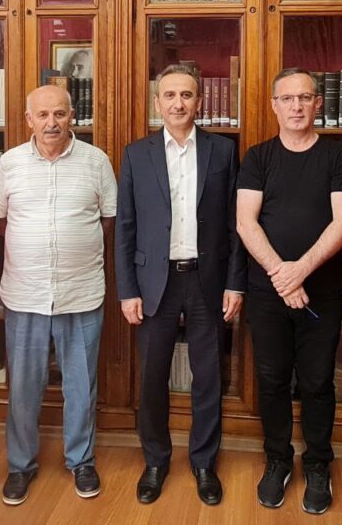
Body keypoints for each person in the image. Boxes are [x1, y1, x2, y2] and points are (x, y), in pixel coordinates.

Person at [115, 64, 246, 506]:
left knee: (209, 377)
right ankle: (155, 460)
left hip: (208, 280)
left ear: (199, 102)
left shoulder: (223, 152)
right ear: (157, 103)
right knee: (152, 378)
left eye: (186, 95)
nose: (178, 103)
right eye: (169, 95)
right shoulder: (137, 154)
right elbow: (126, 228)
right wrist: (127, 290)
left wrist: (235, 284)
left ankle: (204, 462)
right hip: (156, 282)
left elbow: (234, 225)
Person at [236, 67, 342, 515]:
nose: (296, 106)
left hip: (320, 291)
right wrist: (281, 275)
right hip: (267, 291)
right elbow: (245, 222)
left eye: (305, 98)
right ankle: (277, 460)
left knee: (317, 380)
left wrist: (300, 271)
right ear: (274, 105)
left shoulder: (338, 156)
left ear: (318, 103)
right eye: (287, 99)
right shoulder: (258, 157)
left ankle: (319, 463)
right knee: (270, 380)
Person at [0, 84, 117, 506]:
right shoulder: (9, 163)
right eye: (42, 115)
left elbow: (109, 220)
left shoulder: (96, 161)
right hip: (24, 294)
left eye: (59, 113)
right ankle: (20, 465)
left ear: (72, 116)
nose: (51, 123)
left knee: (81, 385)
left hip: (81, 293)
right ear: (29, 119)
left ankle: (81, 460)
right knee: (24, 387)